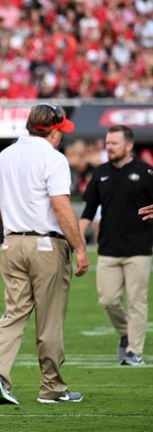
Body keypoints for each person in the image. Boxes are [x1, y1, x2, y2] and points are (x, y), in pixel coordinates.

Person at [0, 103, 89, 406]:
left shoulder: (4, 156)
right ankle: (52, 387)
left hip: (11, 243)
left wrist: (18, 221)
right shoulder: (53, 158)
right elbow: (61, 206)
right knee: (50, 317)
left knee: (14, 312)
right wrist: (80, 247)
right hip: (46, 244)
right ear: (52, 131)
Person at [79, 125, 153, 366]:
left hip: (139, 249)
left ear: (129, 145)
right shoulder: (100, 173)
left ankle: (134, 352)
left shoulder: (145, 171)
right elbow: (88, 211)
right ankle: (125, 333)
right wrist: (78, 240)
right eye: (107, 143)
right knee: (108, 301)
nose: (108, 147)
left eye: (114, 143)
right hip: (108, 249)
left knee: (137, 302)